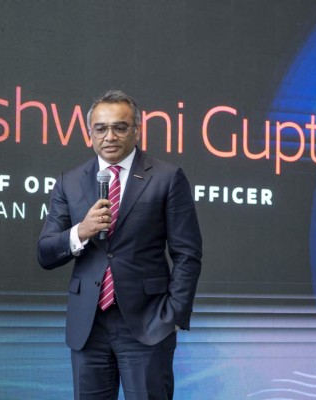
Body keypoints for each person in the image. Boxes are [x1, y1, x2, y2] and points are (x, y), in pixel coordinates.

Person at [37, 90, 202, 400]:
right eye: (101, 128)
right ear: (90, 133)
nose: (109, 136)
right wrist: (81, 231)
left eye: (120, 127)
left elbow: (187, 254)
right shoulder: (69, 181)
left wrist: (174, 314)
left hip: (148, 323)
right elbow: (46, 253)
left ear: (136, 130)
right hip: (88, 326)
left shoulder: (166, 177)